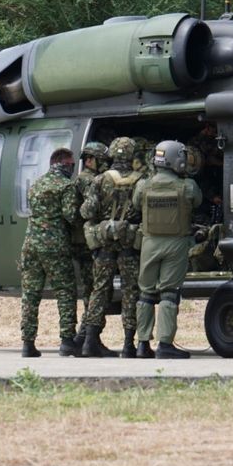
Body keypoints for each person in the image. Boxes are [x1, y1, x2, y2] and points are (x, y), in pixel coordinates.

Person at [132, 140, 202, 359]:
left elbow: (135, 204)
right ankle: (164, 345)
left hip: (149, 243)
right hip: (176, 244)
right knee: (169, 294)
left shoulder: (144, 185)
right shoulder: (188, 186)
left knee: (145, 294)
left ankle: (142, 344)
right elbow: (198, 202)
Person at [79, 137, 142, 358]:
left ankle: (90, 341)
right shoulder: (140, 180)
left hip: (104, 243)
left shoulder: (100, 180)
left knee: (99, 290)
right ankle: (128, 344)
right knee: (130, 291)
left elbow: (87, 212)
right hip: (129, 244)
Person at [19, 148, 81, 358]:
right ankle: (66, 341)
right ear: (65, 165)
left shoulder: (36, 184)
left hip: (30, 245)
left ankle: (28, 344)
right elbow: (71, 216)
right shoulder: (66, 186)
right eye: (72, 165)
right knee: (64, 291)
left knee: (30, 294)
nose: (72, 168)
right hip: (54, 246)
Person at [70, 142, 109, 342]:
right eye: (101, 160)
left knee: (92, 290)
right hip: (86, 244)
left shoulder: (86, 179)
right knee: (94, 291)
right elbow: (90, 209)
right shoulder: (87, 181)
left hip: (83, 242)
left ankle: (84, 337)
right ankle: (86, 338)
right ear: (90, 160)